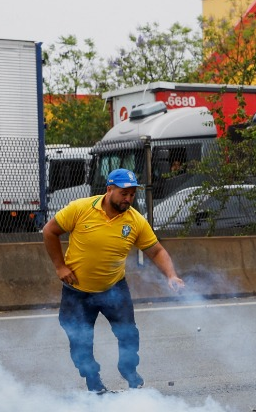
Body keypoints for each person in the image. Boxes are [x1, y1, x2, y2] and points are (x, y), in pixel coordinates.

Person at [42, 168, 185, 394]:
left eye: (132, 194)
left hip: (113, 289)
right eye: (124, 193)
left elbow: (156, 251)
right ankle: (93, 382)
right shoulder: (80, 209)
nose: (128, 198)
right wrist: (60, 266)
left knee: (128, 333)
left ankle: (130, 373)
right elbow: (49, 231)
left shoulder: (135, 221)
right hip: (76, 291)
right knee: (80, 340)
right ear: (109, 190)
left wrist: (171, 275)